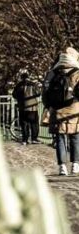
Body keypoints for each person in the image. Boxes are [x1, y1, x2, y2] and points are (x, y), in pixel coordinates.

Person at [42, 47, 79, 176]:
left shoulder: (52, 73)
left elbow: (45, 93)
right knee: (75, 137)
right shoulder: (77, 72)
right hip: (74, 108)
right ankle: (75, 165)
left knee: (60, 139)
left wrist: (48, 106)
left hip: (57, 110)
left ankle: (62, 167)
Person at [12, 69, 42, 144]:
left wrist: (20, 99)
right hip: (32, 107)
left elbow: (14, 95)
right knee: (34, 123)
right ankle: (34, 138)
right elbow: (38, 93)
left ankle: (25, 139)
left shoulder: (19, 85)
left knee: (24, 123)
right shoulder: (33, 84)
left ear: (21, 78)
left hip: (22, 107)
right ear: (28, 77)